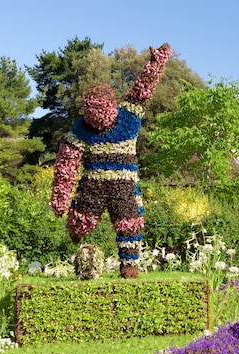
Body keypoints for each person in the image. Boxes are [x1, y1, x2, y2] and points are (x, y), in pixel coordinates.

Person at [50, 43, 172, 278]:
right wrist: (60, 199)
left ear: (111, 108)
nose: (97, 120)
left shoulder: (129, 116)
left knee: (129, 222)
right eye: (92, 114)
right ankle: (80, 236)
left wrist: (157, 63)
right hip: (92, 184)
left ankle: (129, 265)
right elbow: (66, 162)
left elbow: (142, 88)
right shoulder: (81, 128)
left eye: (100, 113)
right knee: (81, 221)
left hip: (123, 186)